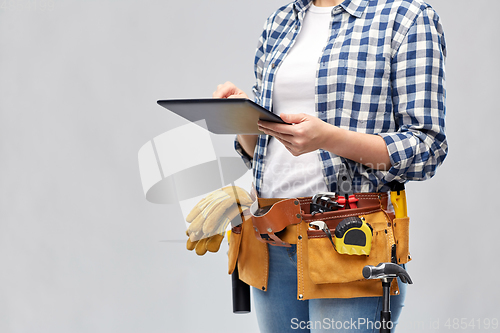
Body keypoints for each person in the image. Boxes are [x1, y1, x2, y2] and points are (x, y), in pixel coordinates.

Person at [213, 0, 447, 332]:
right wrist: (241, 117)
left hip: (347, 241)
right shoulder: (280, 21)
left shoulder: (405, 18)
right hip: (271, 238)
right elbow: (261, 151)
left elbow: (427, 146)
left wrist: (328, 138)